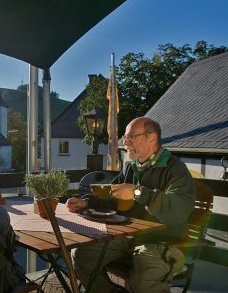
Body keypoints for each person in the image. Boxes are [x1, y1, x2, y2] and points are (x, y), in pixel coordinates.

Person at [66, 117, 196, 293]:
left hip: (164, 242)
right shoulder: (131, 168)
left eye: (131, 137)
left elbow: (177, 210)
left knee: (142, 281)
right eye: (125, 137)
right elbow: (111, 195)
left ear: (152, 138)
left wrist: (138, 193)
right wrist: (86, 202)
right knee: (81, 255)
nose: (125, 142)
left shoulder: (176, 169)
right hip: (128, 238)